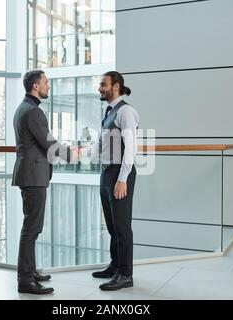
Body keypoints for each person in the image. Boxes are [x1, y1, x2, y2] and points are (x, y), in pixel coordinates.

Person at [12, 70, 77, 295]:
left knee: (32, 227)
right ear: (35, 87)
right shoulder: (33, 112)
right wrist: (71, 155)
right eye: (46, 83)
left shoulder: (23, 108)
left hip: (30, 174)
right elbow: (49, 143)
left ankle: (29, 271)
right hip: (33, 176)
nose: (49, 86)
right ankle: (26, 279)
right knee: (31, 228)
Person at [82, 71, 139, 291]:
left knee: (122, 226)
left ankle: (125, 274)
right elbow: (100, 145)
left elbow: (130, 148)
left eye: (103, 85)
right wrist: (79, 154)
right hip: (106, 172)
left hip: (119, 173)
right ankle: (115, 265)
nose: (100, 88)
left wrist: (122, 178)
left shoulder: (126, 111)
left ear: (116, 86)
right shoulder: (108, 112)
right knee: (112, 225)